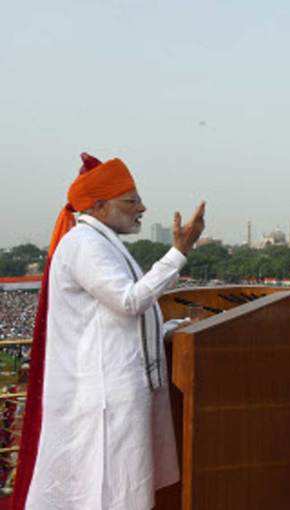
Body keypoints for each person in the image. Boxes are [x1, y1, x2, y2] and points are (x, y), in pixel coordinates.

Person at [13, 153, 206, 510]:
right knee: (109, 491)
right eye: (131, 201)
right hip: (103, 394)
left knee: (120, 488)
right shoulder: (86, 245)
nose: (142, 208)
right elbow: (130, 301)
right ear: (100, 206)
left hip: (114, 389)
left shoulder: (103, 244)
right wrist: (179, 252)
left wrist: (172, 329)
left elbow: (118, 319)